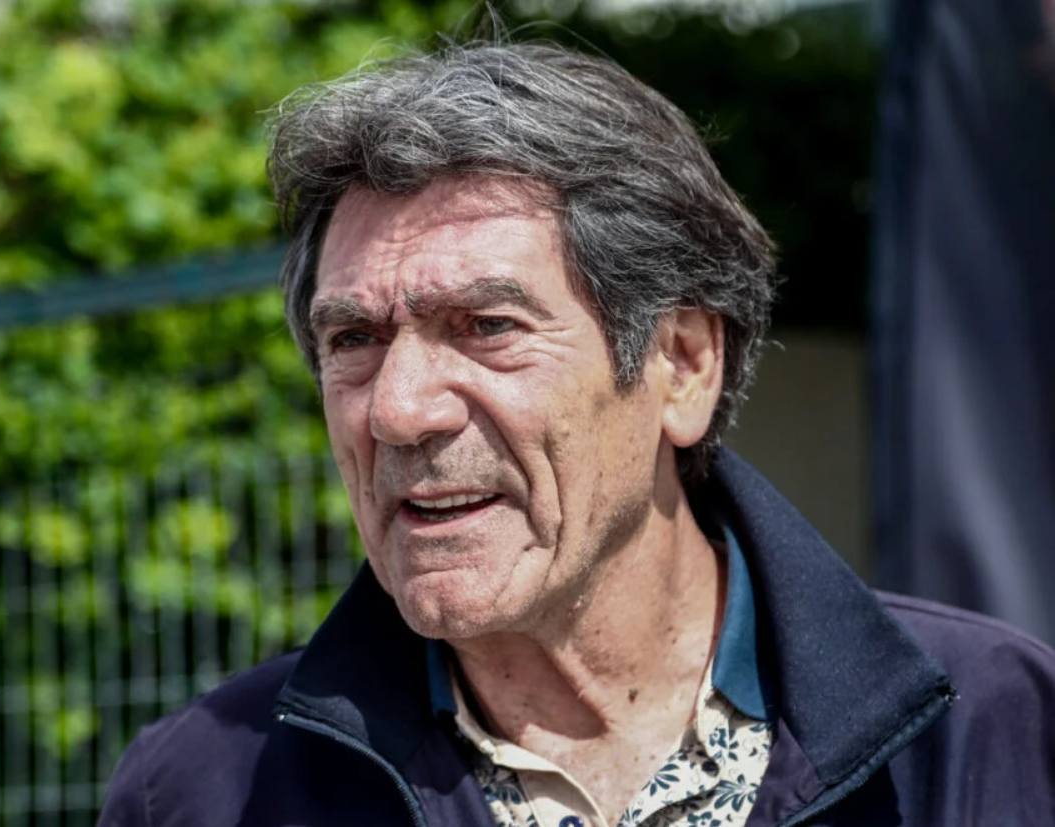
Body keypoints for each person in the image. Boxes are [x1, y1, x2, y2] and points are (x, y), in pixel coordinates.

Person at [96, 38, 1055, 827]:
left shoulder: (996, 733)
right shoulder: (204, 792)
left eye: (487, 327)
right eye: (353, 339)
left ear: (683, 363)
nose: (397, 409)